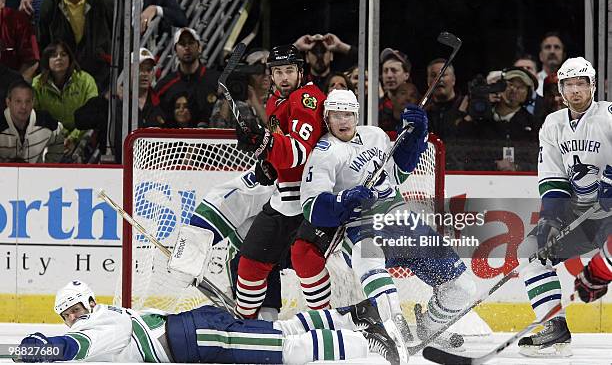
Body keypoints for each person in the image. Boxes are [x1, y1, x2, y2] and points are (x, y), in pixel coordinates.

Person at [296, 89, 475, 349]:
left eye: (348, 114)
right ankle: (392, 329)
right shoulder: (324, 153)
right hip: (360, 229)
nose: (343, 121)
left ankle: (429, 328)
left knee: (463, 288)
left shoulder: (375, 135)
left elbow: (398, 174)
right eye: (336, 115)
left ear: (356, 116)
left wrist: (415, 137)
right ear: (327, 118)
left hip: (403, 222)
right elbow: (312, 208)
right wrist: (344, 198)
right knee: (376, 279)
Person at [16, 280, 400, 364]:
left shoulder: (98, 323)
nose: (71, 321)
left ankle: (369, 342)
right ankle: (351, 316)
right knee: (278, 331)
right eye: (65, 317)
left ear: (85, 305)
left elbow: (75, 346)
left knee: (282, 351)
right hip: (194, 329)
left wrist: (44, 348)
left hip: (195, 338)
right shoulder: (108, 312)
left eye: (72, 313)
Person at [516, 57, 612, 357]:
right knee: (531, 252)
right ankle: (554, 329)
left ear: (592, 86)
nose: (575, 90)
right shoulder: (553, 124)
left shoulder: (609, 116)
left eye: (581, 83)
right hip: (583, 217)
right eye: (569, 84)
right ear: (560, 88)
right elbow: (553, 175)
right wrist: (550, 219)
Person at [232, 44, 327, 319]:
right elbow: (281, 152)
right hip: (284, 199)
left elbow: (298, 151)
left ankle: (325, 322)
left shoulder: (306, 99)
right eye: (277, 72)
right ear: (270, 76)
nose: (283, 77)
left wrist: (264, 142)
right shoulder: (276, 101)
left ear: (300, 71)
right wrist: (267, 164)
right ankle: (246, 326)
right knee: (249, 264)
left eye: (288, 70)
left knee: (306, 263)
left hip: (311, 200)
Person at [37, 0, 114, 92]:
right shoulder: (49, 7)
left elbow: (124, 37)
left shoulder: (105, 0)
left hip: (102, 76)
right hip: (65, 78)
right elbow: (43, 45)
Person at [153, 27, 220, 126]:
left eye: (191, 43)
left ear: (199, 47)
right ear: (175, 50)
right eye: (182, 44)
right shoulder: (165, 86)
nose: (187, 47)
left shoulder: (217, 81)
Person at [32, 40, 98, 135]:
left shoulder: (86, 80)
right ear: (47, 60)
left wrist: (73, 138)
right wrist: (61, 136)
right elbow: (35, 117)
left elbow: (92, 113)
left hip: (83, 136)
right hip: (50, 137)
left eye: (63, 54)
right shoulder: (37, 84)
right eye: (54, 55)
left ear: (70, 58)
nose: (59, 58)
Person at [0, 79, 64, 163]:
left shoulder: (46, 122)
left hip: (36, 174)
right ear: (8, 102)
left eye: (28, 101)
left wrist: (49, 166)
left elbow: (59, 134)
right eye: (18, 101)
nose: (23, 106)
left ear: (33, 102)